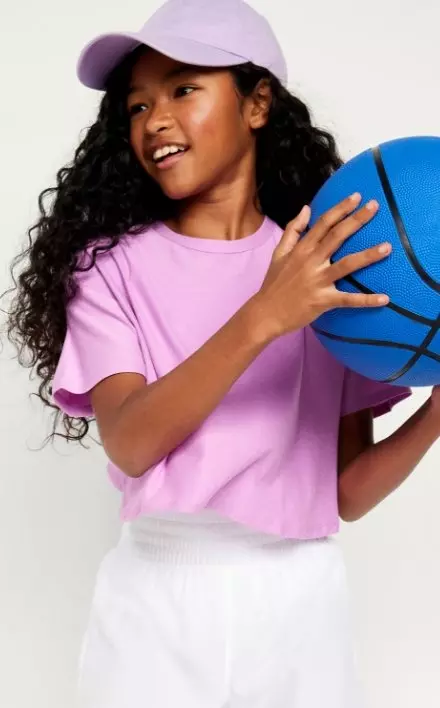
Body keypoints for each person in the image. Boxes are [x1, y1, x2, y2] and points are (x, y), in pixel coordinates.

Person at [5, 0, 440, 706]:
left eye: (183, 88)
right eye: (137, 105)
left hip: (301, 601)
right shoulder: (109, 270)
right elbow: (132, 443)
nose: (156, 120)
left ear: (258, 102)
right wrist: (264, 316)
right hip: (158, 596)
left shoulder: (330, 273)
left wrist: (434, 415)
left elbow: (347, 492)